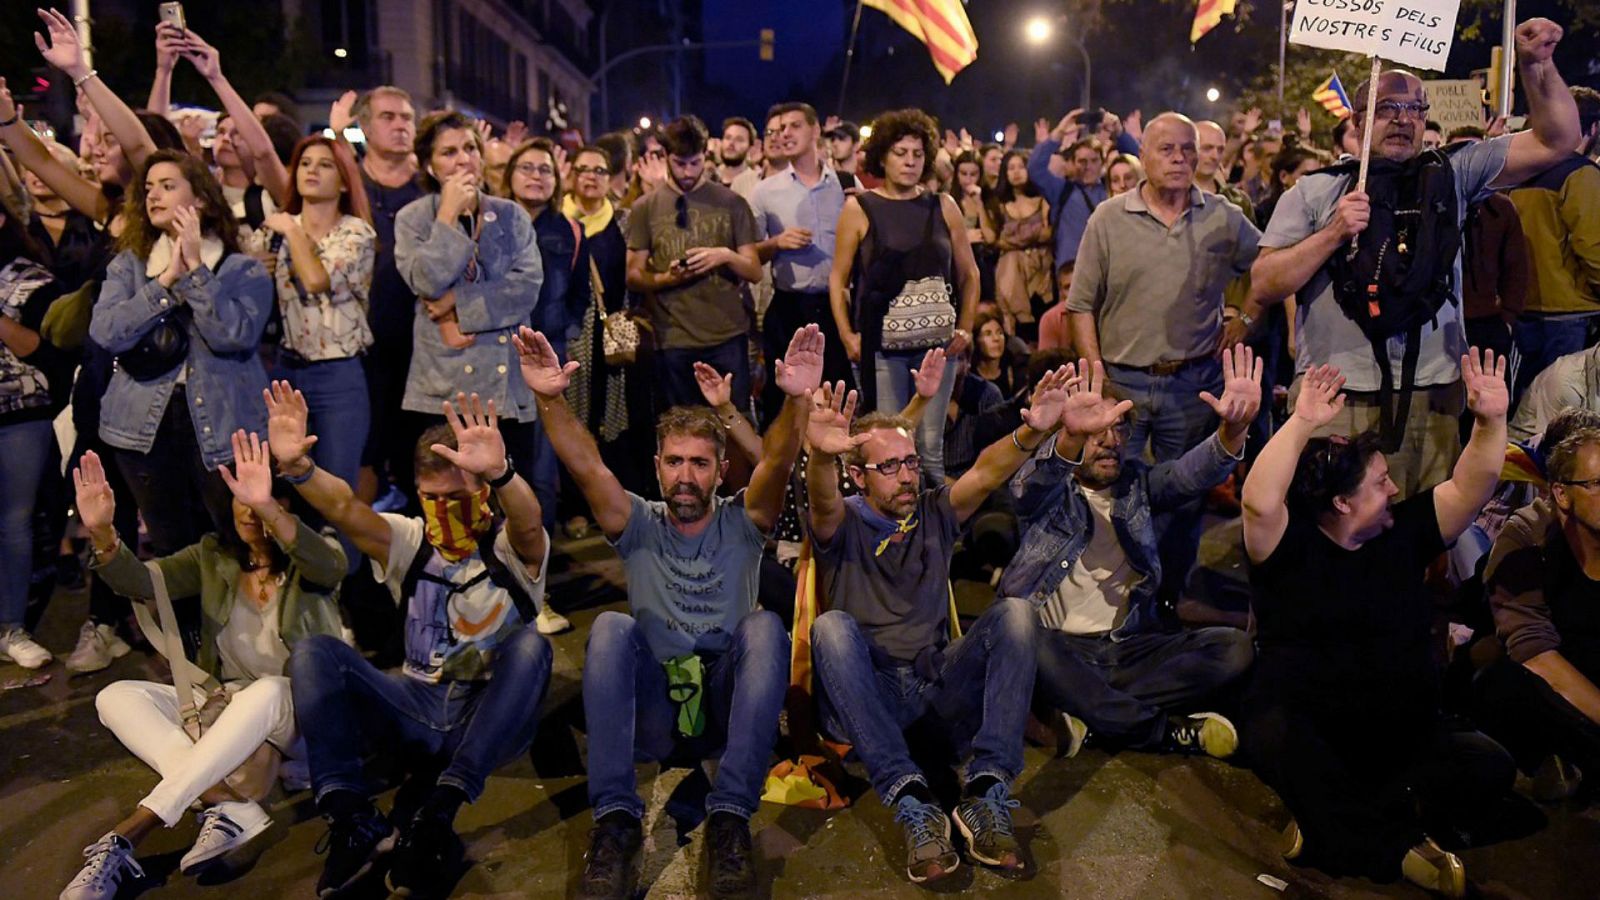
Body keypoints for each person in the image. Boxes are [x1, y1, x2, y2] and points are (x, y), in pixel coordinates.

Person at [514, 325, 822, 899]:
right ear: (657, 468)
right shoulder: (638, 522)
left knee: (764, 627)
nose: (686, 476)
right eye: (675, 462)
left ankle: (730, 818)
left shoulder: (743, 519)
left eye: (700, 464)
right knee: (609, 626)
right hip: (655, 714)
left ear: (720, 469)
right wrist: (549, 398)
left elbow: (778, 462)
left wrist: (798, 399)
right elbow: (586, 466)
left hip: (727, 711)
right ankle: (615, 824)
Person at [1249, 19, 1583, 498]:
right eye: (1387, 108)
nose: (1403, 119)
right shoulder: (1315, 190)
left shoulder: (1455, 174)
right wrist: (1334, 232)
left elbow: (1557, 139)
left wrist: (1536, 64)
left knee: (1424, 537)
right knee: (1333, 530)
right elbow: (1265, 284)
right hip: (1333, 396)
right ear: (1358, 121)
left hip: (1434, 395)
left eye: (1414, 109)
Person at [1239, 351, 1516, 896]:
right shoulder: (1288, 548)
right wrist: (1301, 423)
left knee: (1491, 770)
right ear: (1342, 502)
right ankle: (1398, 844)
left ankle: (1328, 828)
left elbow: (1469, 488)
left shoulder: (1401, 529)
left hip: (1396, 726)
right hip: (1312, 727)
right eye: (1380, 482)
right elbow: (1256, 500)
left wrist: (1490, 420)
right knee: (1281, 745)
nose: (1393, 490)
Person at [269, 383, 553, 899]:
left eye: (458, 497)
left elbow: (530, 521)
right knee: (314, 652)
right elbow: (344, 508)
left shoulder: (510, 546)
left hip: (485, 719)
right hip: (416, 704)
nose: (444, 510)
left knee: (533, 647)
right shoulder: (410, 539)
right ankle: (351, 816)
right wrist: (299, 469)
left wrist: (503, 472)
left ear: (483, 493)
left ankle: (442, 809)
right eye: (433, 498)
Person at [804, 367, 1079, 883]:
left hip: (934, 689)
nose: (907, 475)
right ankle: (910, 798)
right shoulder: (842, 521)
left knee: (1015, 614)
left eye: (910, 462)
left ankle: (985, 792)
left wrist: (1035, 431)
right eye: (889, 467)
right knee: (832, 629)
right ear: (859, 477)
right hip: (871, 697)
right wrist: (820, 454)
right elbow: (821, 498)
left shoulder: (934, 510)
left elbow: (985, 472)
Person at [61, 438, 344, 900]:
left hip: (303, 712)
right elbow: (139, 581)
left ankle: (129, 833)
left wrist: (266, 505)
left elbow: (329, 567)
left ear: (284, 503)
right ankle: (225, 803)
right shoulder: (214, 555)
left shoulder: (313, 556)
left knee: (269, 689)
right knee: (115, 696)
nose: (249, 509)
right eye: (241, 495)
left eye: (264, 496)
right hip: (232, 705)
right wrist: (102, 533)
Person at [1001, 350, 1260, 759]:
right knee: (1020, 638)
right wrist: (1067, 437)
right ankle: (1163, 731)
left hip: (1127, 649)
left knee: (1233, 649)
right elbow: (1026, 488)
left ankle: (1088, 713)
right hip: (1059, 650)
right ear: (1070, 431)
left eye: (1119, 427)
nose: (1110, 440)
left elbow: (1190, 473)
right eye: (1096, 428)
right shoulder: (1047, 490)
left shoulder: (1136, 483)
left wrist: (1234, 430)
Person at [1067, 112, 1260, 608]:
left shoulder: (1222, 216)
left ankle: (1168, 599)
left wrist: (1246, 314)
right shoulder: (1108, 218)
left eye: (1187, 150)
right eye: (1166, 150)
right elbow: (1080, 305)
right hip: (1122, 385)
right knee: (1115, 493)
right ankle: (1117, 597)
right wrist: (1096, 379)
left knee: (1186, 496)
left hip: (1192, 383)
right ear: (1144, 157)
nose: (1179, 159)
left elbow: (1269, 266)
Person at [90, 149, 273, 556]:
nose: (153, 195)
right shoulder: (129, 266)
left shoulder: (242, 269)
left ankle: (237, 621)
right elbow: (106, 332)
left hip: (224, 425)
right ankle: (184, 623)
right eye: (149, 188)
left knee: (237, 542)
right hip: (140, 426)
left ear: (202, 200)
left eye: (168, 186)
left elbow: (233, 335)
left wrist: (194, 274)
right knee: (171, 546)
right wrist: (165, 281)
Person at [394, 110, 544, 505]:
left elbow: (526, 288)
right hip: (441, 384)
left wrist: (454, 304)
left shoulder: (510, 214)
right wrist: (446, 217)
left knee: (508, 502)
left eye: (470, 148)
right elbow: (424, 280)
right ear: (429, 162)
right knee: (449, 501)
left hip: (504, 385)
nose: (463, 159)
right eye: (448, 152)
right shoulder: (413, 219)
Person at [830, 108, 978, 483]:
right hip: (883, 349)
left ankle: (932, 534)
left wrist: (967, 328)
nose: (910, 161)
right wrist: (847, 334)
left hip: (937, 350)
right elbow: (838, 279)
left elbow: (969, 274)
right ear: (882, 155)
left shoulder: (944, 205)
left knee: (930, 450)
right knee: (890, 446)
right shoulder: (859, 208)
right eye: (901, 152)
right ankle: (892, 531)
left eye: (917, 153)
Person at [1477, 424, 1600, 797]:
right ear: (1561, 493)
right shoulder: (1529, 537)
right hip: (1541, 677)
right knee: (1500, 681)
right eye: (1597, 483)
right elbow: (1535, 653)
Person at [259, 136, 376, 501]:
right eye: (305, 163)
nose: (311, 170)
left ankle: (350, 561)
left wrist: (293, 231)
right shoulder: (273, 230)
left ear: (343, 181)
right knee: (288, 489)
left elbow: (315, 280)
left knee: (338, 492)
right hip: (284, 371)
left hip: (338, 375)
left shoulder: (356, 233)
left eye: (325, 164)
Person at [625, 115, 762, 413]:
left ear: (705, 157)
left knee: (734, 427)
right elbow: (633, 275)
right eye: (680, 163)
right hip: (673, 338)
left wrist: (723, 255)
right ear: (666, 158)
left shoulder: (731, 203)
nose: (688, 172)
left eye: (695, 163)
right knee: (680, 428)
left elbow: (754, 270)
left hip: (727, 334)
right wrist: (667, 278)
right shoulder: (645, 207)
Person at [331, 86, 425, 505]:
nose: (401, 125)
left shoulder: (429, 189)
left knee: (422, 454)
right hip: (361, 346)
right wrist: (334, 141)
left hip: (424, 344)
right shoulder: (346, 186)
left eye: (407, 117)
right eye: (388, 117)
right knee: (363, 455)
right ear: (364, 126)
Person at [0, 212, 74, 669]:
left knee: (14, 522)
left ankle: (10, 626)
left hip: (20, 415)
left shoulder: (30, 278)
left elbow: (47, 351)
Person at [749, 102, 853, 423]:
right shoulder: (765, 191)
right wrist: (776, 243)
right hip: (789, 306)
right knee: (786, 403)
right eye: (780, 129)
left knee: (836, 399)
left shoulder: (845, 184)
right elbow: (748, 253)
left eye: (794, 126)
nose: (785, 134)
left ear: (816, 129)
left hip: (836, 306)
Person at [1506, 85, 1600, 400]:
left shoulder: (1518, 173)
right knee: (1568, 415)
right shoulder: (1581, 174)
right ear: (1593, 128)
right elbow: (1593, 247)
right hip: (1572, 313)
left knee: (1532, 409)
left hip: (1526, 310)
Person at [1028, 115, 1108, 299]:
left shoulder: (1112, 191)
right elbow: (1035, 168)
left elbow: (1139, 167)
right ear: (1072, 163)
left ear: (1103, 163)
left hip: (1107, 273)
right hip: (1071, 275)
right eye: (1082, 161)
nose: (1088, 167)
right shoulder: (1062, 190)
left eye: (1094, 160)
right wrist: (1058, 134)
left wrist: (1120, 133)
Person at [991, 150, 1053, 337]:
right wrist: (1029, 236)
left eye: (1021, 167)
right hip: (1011, 274)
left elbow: (1045, 234)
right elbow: (995, 240)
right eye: (1011, 168)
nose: (1016, 172)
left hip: (1041, 270)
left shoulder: (1042, 200)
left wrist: (1014, 240)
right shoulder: (999, 205)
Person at [717, 116, 761, 198]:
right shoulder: (708, 176)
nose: (731, 143)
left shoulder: (756, 184)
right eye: (728, 138)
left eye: (739, 140)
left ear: (750, 148)